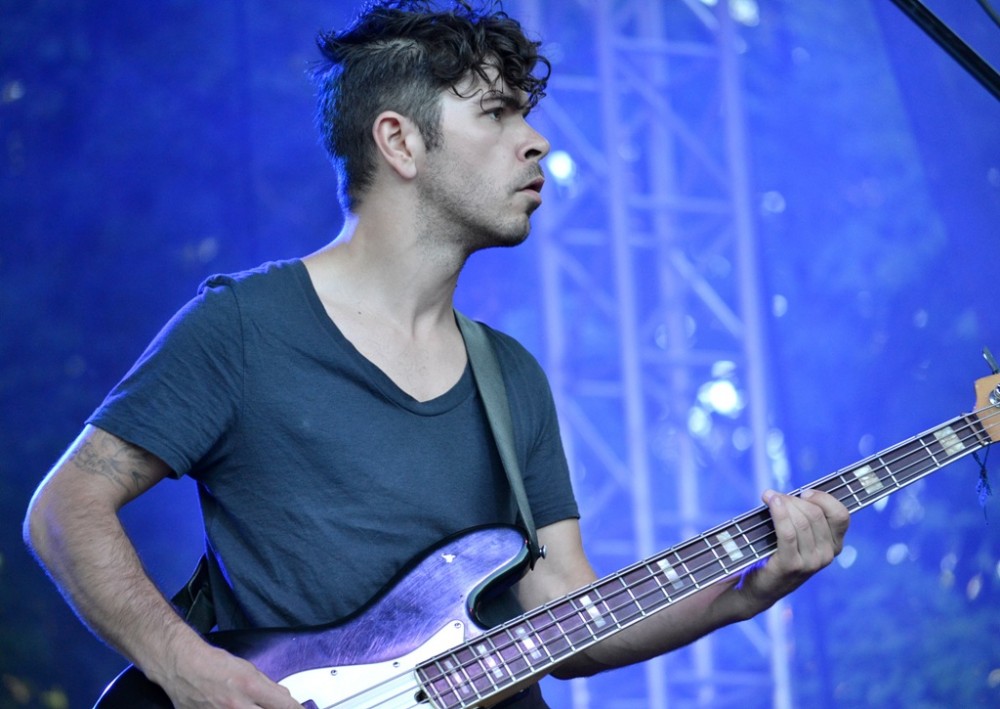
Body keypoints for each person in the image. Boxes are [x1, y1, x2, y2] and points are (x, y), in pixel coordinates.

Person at [23, 1, 850, 707]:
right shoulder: (244, 325)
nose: (538, 142)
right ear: (400, 142)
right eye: (497, 113)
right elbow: (64, 508)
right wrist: (182, 663)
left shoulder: (509, 376)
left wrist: (748, 592)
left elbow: (566, 612)